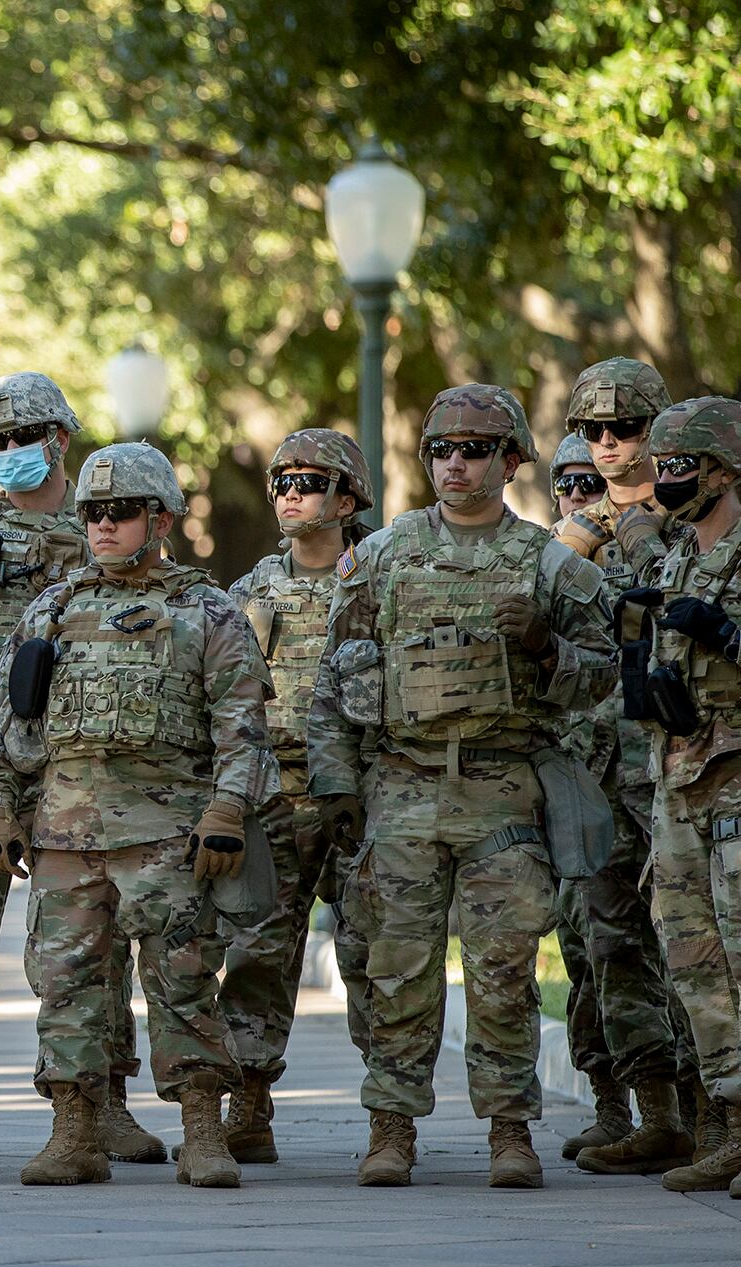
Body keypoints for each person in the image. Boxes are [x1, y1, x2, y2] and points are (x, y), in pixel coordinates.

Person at [310, 384, 614, 1190]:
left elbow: (610, 679)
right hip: (403, 787)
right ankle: (392, 1128)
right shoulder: (383, 554)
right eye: (442, 448)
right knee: (397, 966)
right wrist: (338, 785)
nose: (456, 463)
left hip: (503, 790)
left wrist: (549, 649)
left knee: (503, 968)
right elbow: (334, 677)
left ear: (511, 459)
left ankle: (510, 1130)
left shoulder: (549, 563)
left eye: (475, 448)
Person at [0, 440, 273, 1190]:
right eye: (92, 513)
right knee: (67, 985)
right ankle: (73, 1131)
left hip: (168, 833)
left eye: (120, 513)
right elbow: (10, 727)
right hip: (64, 835)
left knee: (180, 980)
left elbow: (241, 727)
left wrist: (227, 809)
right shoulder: (52, 607)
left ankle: (202, 1130)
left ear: (162, 518)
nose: (103, 526)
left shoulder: (205, 610)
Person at [0, 371, 161, 1166]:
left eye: (29, 436)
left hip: (79, 761)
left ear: (62, 438)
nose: (14, 452)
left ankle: (107, 1101)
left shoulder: (106, 523)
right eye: (0, 441)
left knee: (102, 935)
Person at [545, 361, 698, 1174]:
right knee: (611, 941)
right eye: (594, 431)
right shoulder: (574, 525)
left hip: (679, 756)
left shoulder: (693, 507)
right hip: (596, 763)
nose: (608, 446)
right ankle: (656, 1113)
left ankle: (718, 1114)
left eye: (625, 430)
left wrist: (630, 534)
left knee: (696, 936)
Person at [220, 428, 378, 1163]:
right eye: (281, 481)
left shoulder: (379, 580)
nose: (289, 494)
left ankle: (391, 1114)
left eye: (308, 481)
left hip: (365, 795)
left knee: (377, 953)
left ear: (348, 497)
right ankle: (248, 1098)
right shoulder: (249, 590)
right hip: (273, 796)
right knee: (257, 950)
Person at [633, 395, 741, 1194]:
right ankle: (733, 1119)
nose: (665, 479)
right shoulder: (675, 557)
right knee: (692, 957)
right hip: (677, 779)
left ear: (722, 469)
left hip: (737, 779)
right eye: (660, 466)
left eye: (680, 467)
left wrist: (729, 632)